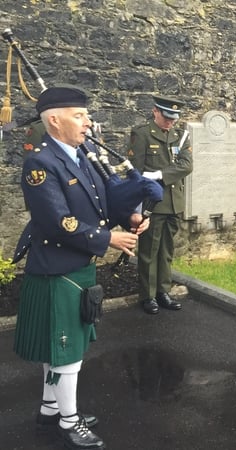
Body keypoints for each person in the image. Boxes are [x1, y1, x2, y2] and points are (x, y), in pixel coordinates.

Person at [12, 85, 144, 450]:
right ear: (54, 120)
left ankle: (50, 411)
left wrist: (130, 216)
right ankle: (68, 422)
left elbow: (102, 203)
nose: (88, 122)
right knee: (66, 351)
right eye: (79, 115)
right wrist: (108, 241)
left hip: (77, 266)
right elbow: (58, 221)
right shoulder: (41, 163)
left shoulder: (80, 155)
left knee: (63, 347)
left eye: (86, 115)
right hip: (57, 268)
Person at [128, 95, 193, 315]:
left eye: (174, 118)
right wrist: (136, 207)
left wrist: (160, 174)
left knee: (166, 250)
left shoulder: (181, 136)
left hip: (174, 203)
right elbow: (135, 173)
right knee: (148, 251)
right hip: (152, 204)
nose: (170, 122)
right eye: (166, 117)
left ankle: (163, 291)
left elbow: (186, 166)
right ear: (155, 111)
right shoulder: (142, 134)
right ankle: (148, 295)